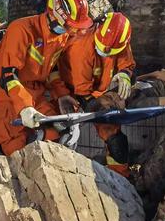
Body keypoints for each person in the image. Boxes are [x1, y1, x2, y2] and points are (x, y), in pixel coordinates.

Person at [0, 0, 93, 156]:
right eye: (71, 25)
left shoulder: (61, 36)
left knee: (58, 133)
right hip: (8, 94)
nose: (74, 31)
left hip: (36, 91)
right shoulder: (21, 29)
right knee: (17, 149)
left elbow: (52, 70)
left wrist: (61, 95)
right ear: (55, 14)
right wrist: (24, 107)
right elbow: (7, 75)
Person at [55, 12, 135, 177]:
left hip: (98, 90)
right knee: (63, 134)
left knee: (115, 138)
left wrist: (126, 74)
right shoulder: (81, 45)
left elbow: (127, 63)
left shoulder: (120, 40)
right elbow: (82, 90)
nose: (105, 52)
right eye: (102, 47)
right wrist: (100, 107)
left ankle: (121, 176)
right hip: (71, 91)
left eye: (111, 51)